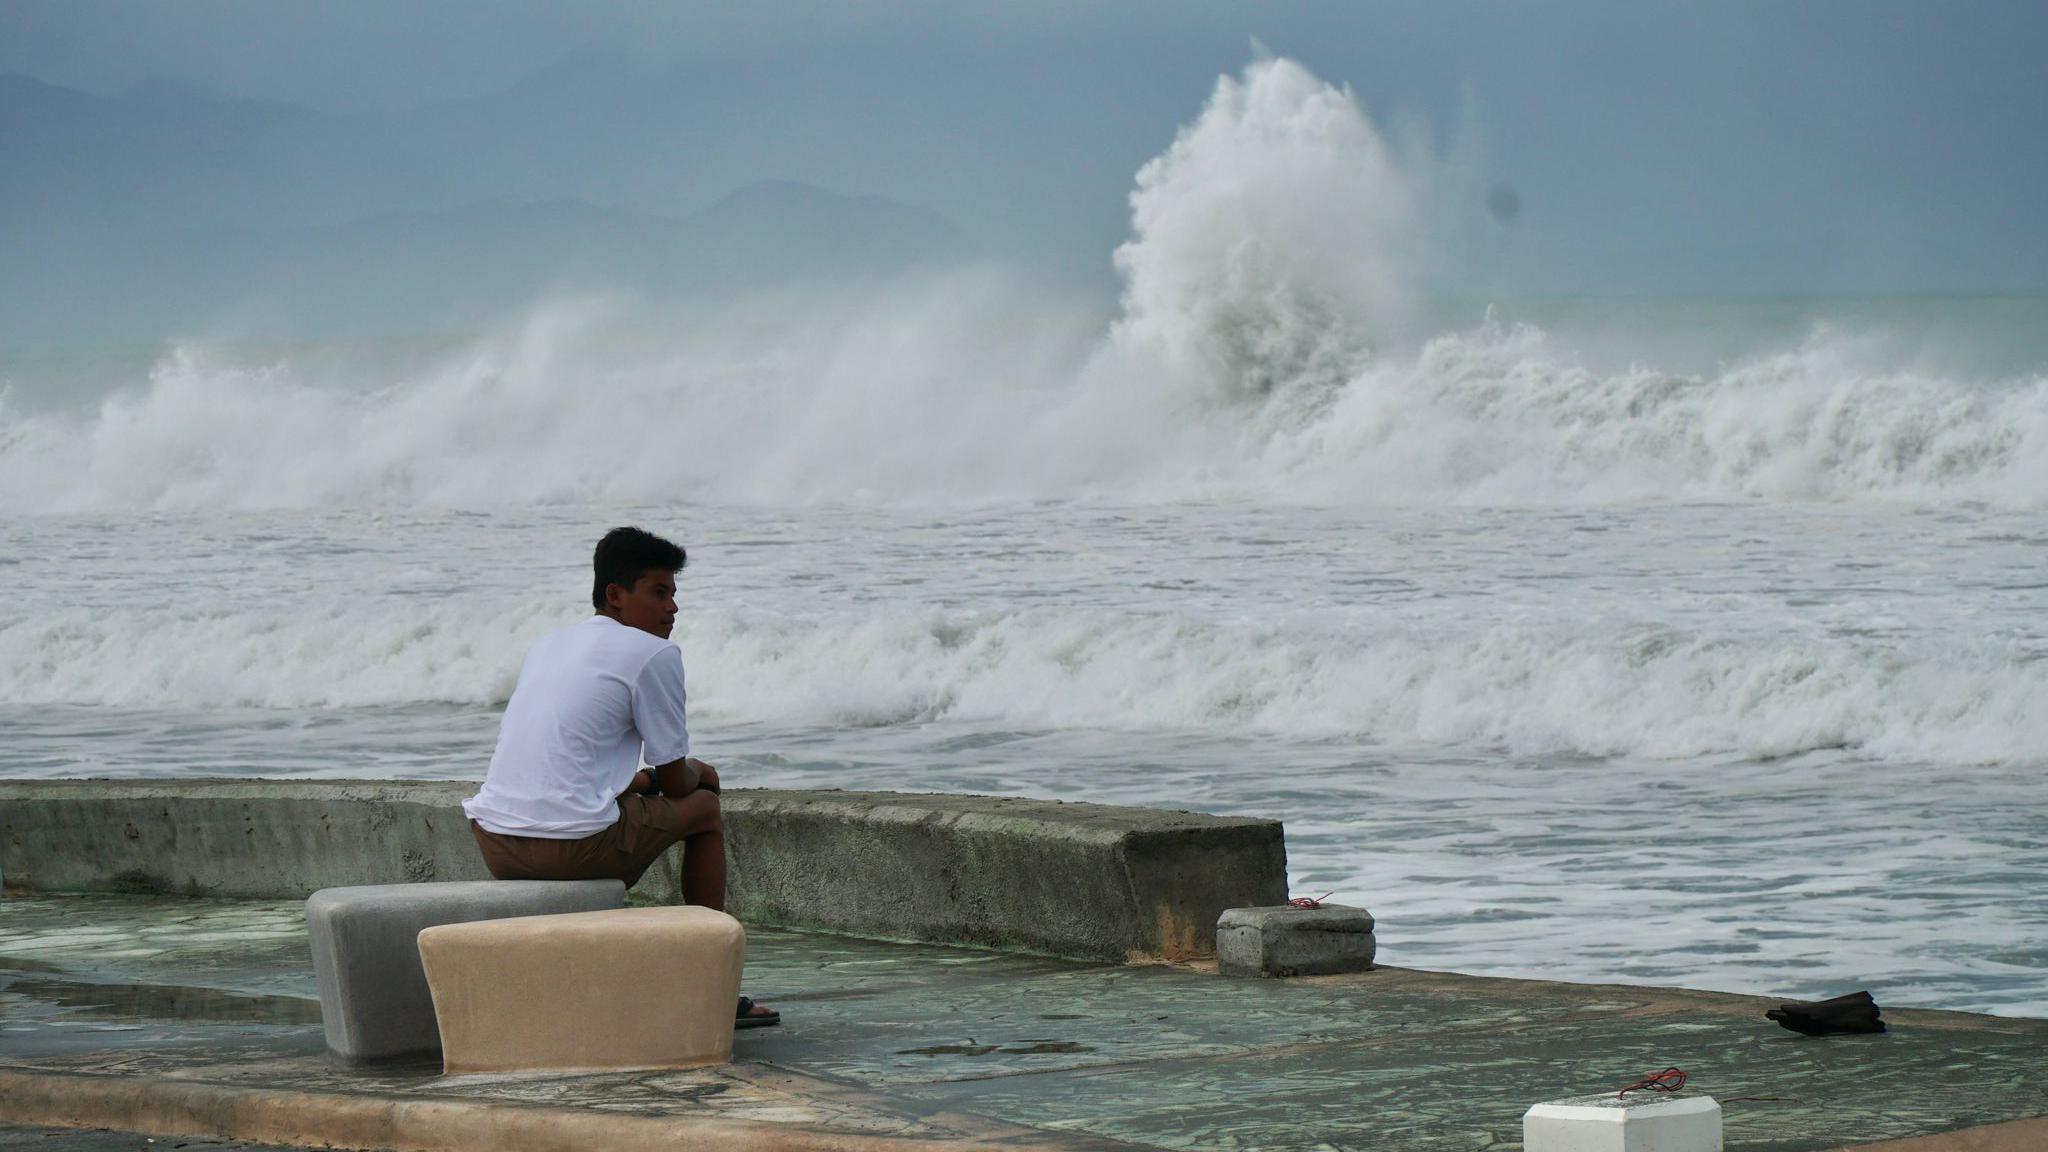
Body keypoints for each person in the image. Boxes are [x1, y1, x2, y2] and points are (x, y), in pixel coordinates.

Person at [462, 526, 777, 1028]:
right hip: (567, 847)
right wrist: (702, 772)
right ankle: (709, 984)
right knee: (705, 810)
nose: (672, 608)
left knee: (637, 797)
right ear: (615, 595)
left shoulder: (549, 645)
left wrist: (641, 781)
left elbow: (572, 763)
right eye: (658, 592)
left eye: (674, 594)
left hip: (496, 842)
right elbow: (678, 782)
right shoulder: (653, 654)